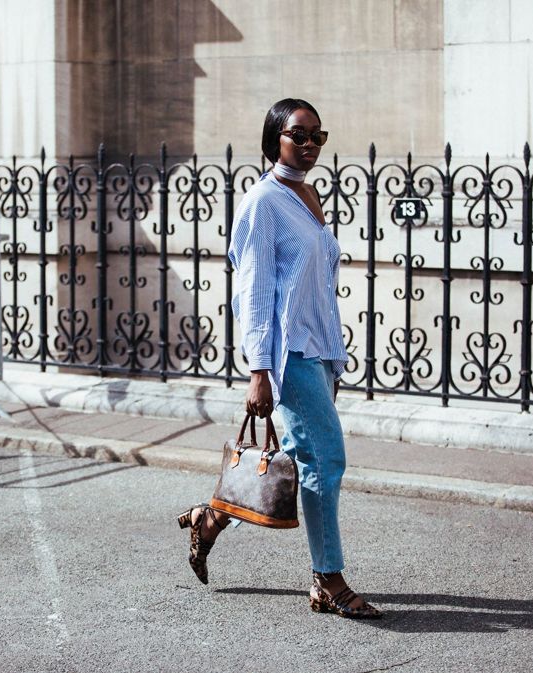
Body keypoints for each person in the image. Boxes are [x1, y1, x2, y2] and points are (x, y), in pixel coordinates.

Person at [177, 98, 383, 619]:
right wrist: (259, 369)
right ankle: (328, 579)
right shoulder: (262, 202)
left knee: (294, 462)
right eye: (299, 135)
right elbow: (253, 292)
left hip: (318, 348)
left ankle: (211, 517)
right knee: (327, 459)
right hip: (288, 354)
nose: (310, 144)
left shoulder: (306, 194)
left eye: (319, 136)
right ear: (275, 138)